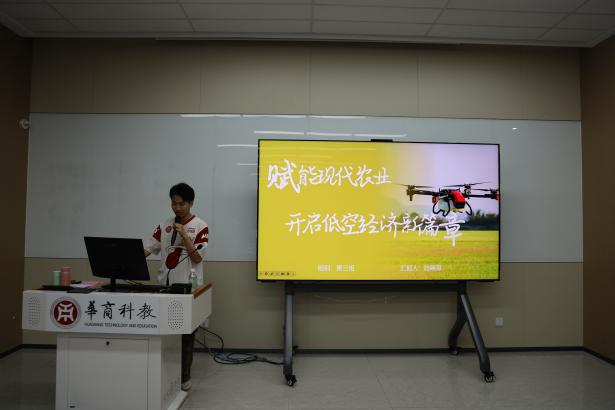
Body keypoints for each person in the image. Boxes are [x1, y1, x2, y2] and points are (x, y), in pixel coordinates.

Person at [144, 182, 209, 391]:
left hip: (188, 289)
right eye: (174, 204)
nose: (177, 208)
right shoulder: (164, 225)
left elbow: (197, 257)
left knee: (186, 335)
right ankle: (164, 374)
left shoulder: (200, 226)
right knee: (164, 333)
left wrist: (185, 236)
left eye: (182, 204)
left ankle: (184, 378)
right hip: (164, 287)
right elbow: (149, 249)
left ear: (191, 203)